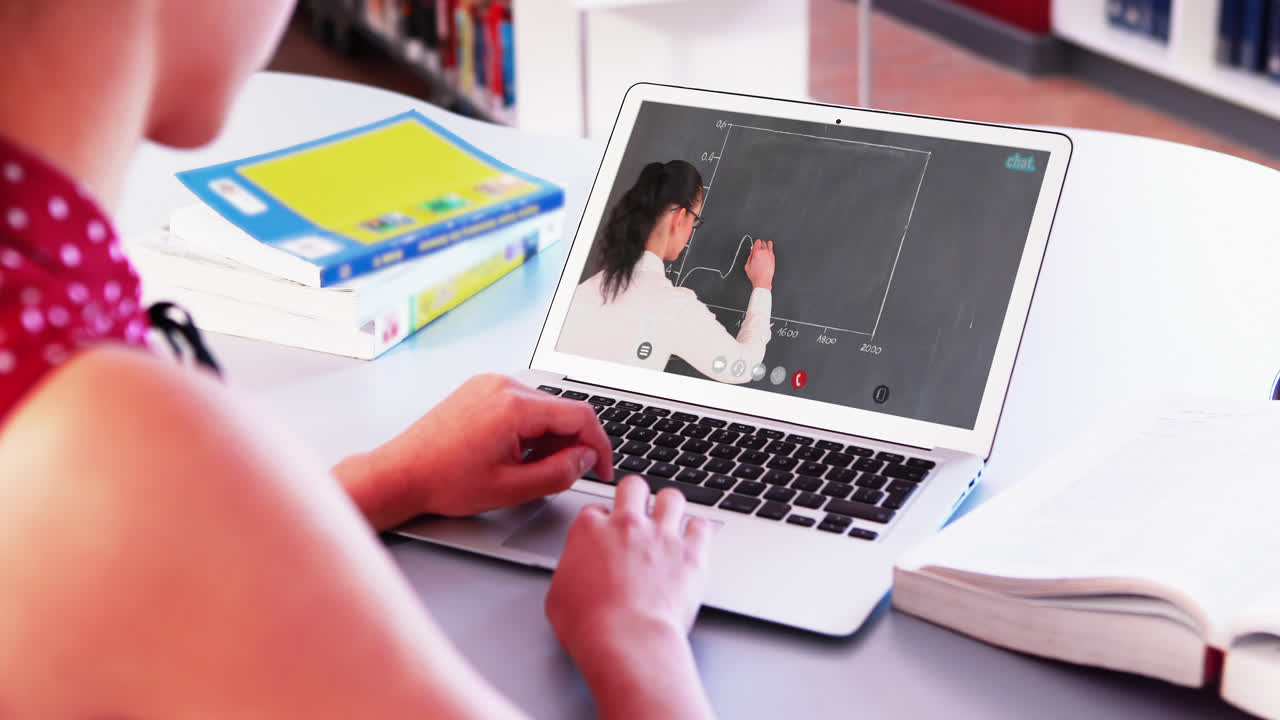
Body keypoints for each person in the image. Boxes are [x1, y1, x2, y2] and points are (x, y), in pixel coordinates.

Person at [0, 1, 715, 718]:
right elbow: (148, 533)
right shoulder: (121, 447)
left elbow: (146, 585)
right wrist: (640, 638)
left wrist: (387, 479)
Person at [557, 160, 776, 383]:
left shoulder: (581, 293)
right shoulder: (673, 307)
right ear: (680, 218)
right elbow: (742, 367)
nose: (691, 231)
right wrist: (763, 285)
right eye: (695, 221)